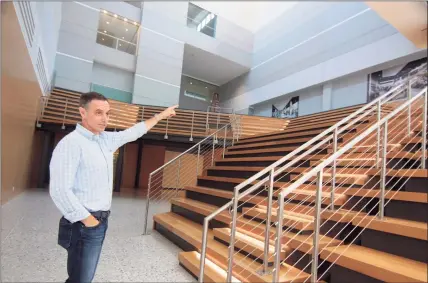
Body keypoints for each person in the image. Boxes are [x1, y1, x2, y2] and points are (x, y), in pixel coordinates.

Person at [49, 92, 177, 282]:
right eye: (99, 113)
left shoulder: (104, 140)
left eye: (107, 113)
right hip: (84, 223)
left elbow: (133, 132)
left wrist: (160, 116)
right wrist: (89, 221)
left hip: (99, 221)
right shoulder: (71, 144)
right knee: (81, 279)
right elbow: (59, 190)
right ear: (82, 112)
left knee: (81, 277)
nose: (105, 119)